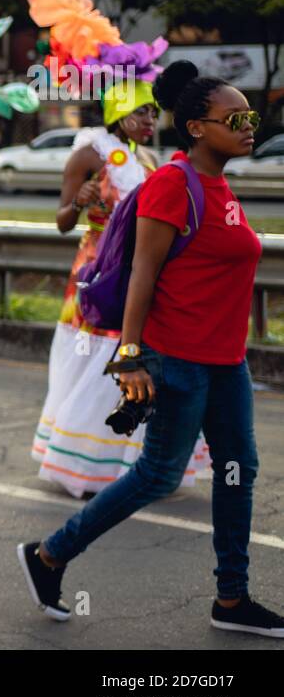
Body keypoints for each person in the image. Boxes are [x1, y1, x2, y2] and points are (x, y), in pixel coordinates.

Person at [19, 60, 284, 637]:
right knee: (159, 474)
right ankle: (49, 556)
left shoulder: (221, 185)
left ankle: (232, 600)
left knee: (239, 467)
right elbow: (143, 272)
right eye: (234, 118)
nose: (248, 127)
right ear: (195, 127)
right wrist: (131, 354)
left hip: (226, 362)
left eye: (252, 117)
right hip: (178, 357)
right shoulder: (172, 182)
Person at [33, 82, 210, 496]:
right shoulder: (87, 154)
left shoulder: (147, 158)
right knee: (92, 363)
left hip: (141, 271)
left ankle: (131, 464)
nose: (151, 121)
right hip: (98, 273)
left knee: (136, 358)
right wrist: (78, 201)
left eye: (153, 113)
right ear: (118, 113)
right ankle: (83, 463)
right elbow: (61, 221)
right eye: (142, 113)